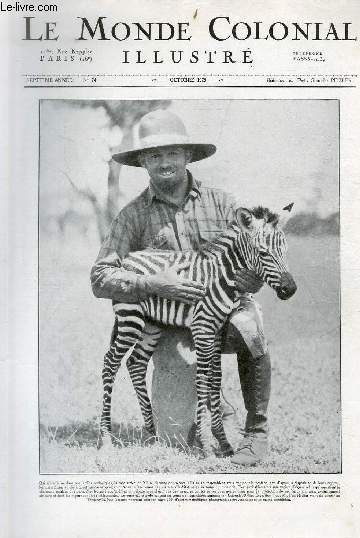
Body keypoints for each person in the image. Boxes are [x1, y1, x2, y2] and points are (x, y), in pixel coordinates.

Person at [90, 109, 272, 466]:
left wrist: (250, 279)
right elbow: (100, 277)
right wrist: (150, 282)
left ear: (188, 155)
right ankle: (213, 405)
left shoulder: (223, 203)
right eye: (154, 154)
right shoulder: (131, 215)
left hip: (224, 311)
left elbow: (257, 252)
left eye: (172, 152)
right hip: (170, 321)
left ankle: (256, 432)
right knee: (174, 434)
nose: (164, 162)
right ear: (143, 161)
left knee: (251, 324)